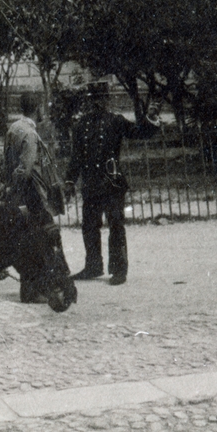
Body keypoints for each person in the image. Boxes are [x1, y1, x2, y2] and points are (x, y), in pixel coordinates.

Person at [64, 80, 158, 285]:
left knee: (116, 225)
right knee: (89, 226)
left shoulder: (116, 121)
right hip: (90, 185)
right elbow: (76, 157)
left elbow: (138, 132)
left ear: (107, 100)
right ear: (89, 102)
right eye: (94, 100)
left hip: (112, 184)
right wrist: (70, 181)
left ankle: (119, 270)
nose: (98, 103)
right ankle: (93, 266)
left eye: (101, 99)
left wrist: (150, 119)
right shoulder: (81, 126)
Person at [0, 91, 71, 300]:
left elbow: (6, 163)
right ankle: (46, 289)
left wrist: (10, 187)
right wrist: (18, 186)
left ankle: (30, 289)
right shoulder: (30, 133)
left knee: (27, 240)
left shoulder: (14, 128)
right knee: (44, 239)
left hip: (18, 193)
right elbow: (27, 168)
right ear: (38, 108)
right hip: (31, 193)